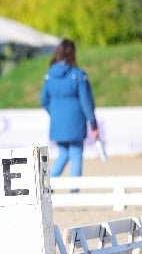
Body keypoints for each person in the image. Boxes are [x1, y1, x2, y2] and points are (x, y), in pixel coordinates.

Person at [40, 39, 99, 178]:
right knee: (76, 153)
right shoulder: (78, 74)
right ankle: (74, 191)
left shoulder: (49, 75)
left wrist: (54, 112)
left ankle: (49, 184)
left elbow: (43, 100)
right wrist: (92, 120)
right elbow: (86, 101)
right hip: (76, 121)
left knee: (63, 154)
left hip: (57, 122)